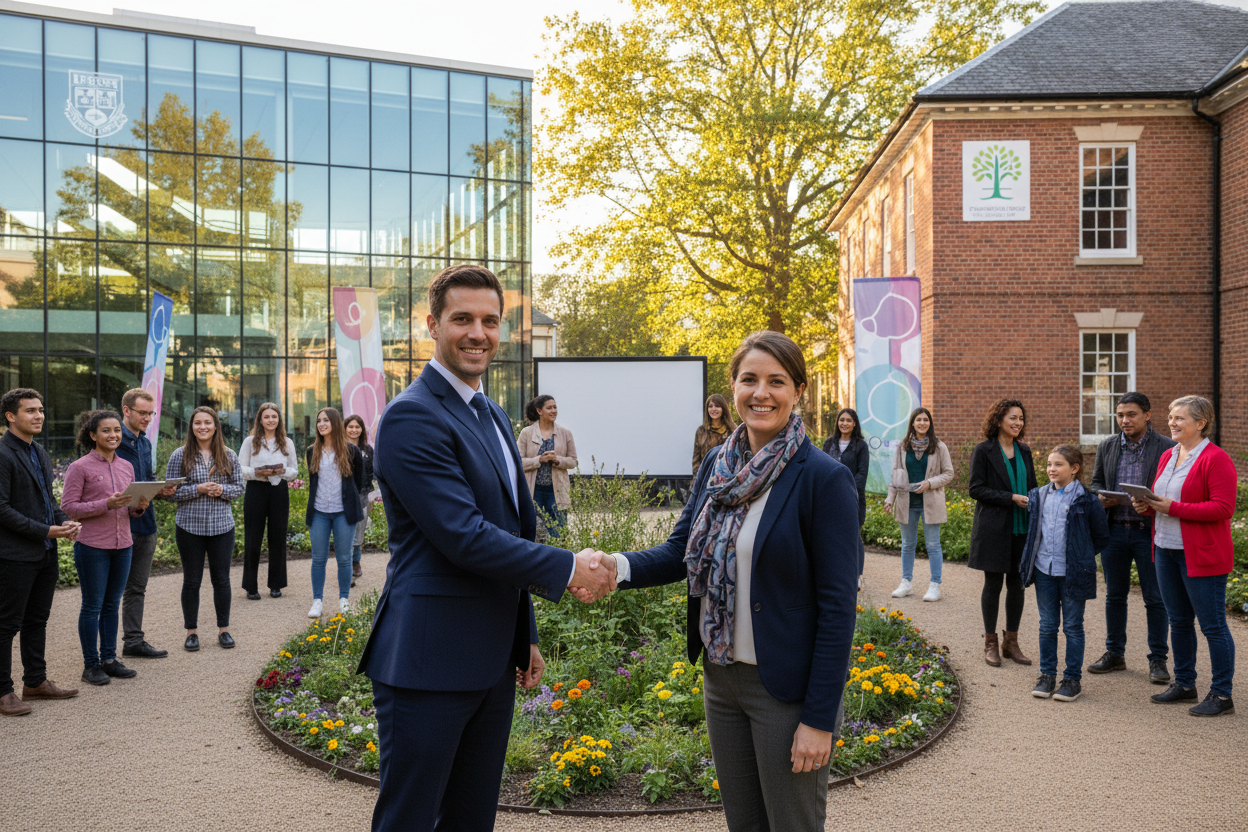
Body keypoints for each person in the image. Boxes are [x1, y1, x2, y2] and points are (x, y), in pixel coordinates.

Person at [356, 264, 613, 832]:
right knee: (409, 820)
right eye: (462, 319)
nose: (478, 333)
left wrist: (527, 637)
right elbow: (463, 535)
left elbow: (515, 532)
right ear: (432, 324)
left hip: (493, 657)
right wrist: (571, 565)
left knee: (471, 819)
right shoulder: (411, 416)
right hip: (427, 661)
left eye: (490, 321)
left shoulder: (492, 411)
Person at [606, 331, 860, 832]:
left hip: (783, 690)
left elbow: (838, 608)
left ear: (799, 391)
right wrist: (613, 567)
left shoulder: (823, 478)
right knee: (744, 824)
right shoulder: (717, 467)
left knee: (792, 825)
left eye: (776, 381)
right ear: (733, 386)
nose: (761, 393)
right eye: (749, 379)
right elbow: (680, 551)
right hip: (722, 681)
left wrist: (818, 719)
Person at [1133, 396, 1237, 717]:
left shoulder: (1216, 459)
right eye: (1171, 417)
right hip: (1165, 549)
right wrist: (1147, 506)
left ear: (1201, 423)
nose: (1171, 423)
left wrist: (1172, 508)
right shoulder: (1169, 455)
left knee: (1213, 626)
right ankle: (1185, 683)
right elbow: (1163, 499)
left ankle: (1221, 695)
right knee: (1178, 621)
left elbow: (1223, 507)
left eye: (1179, 418)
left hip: (1201, 556)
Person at [0, 389, 80, 716]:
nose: (39, 416)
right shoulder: (3, 454)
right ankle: (3, 692)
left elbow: (48, 503)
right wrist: (47, 530)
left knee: (37, 620)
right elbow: (2, 509)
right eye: (30, 410)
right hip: (14, 555)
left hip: (44, 553)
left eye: (41, 410)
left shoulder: (40, 452)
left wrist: (65, 521)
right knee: (6, 625)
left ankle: (35, 682)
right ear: (10, 416)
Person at [1088, 392, 1175, 683]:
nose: (1125, 420)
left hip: (1149, 534)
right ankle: (1115, 654)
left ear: (1147, 415)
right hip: (1114, 532)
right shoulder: (1107, 446)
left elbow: (1173, 490)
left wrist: (1151, 501)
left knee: (1155, 599)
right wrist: (1101, 497)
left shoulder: (1167, 447)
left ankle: (1158, 661)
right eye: (1120, 415)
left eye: (1131, 414)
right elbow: (1096, 483)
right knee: (1114, 596)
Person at [60, 410, 149, 686]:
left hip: (124, 544)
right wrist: (105, 504)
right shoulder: (80, 467)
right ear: (92, 435)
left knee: (111, 604)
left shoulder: (126, 467)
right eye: (106, 431)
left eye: (117, 431)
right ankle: (91, 665)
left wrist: (138, 508)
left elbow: (128, 508)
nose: (113, 435)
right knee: (92, 606)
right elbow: (69, 508)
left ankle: (109, 659)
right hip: (93, 547)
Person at [1021, 445, 1109, 702]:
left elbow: (1101, 537)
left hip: (1073, 572)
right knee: (1047, 625)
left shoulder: (1087, 499)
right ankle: (1047, 675)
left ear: (1074, 469)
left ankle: (1072, 679)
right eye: (1049, 464)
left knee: (1072, 626)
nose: (1051, 469)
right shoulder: (1038, 496)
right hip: (1044, 571)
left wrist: (1080, 556)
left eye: (1058, 464)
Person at [167, 406, 244, 652]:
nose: (203, 427)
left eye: (207, 423)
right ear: (191, 427)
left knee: (221, 580)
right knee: (191, 581)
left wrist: (222, 490)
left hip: (222, 527)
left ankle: (224, 630)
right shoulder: (179, 456)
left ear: (215, 426)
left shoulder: (228, 455)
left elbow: (239, 487)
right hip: (189, 527)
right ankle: (192, 632)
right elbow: (170, 494)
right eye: (198, 423)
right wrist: (198, 489)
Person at [968, 399, 1037, 667]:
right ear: (999, 421)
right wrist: (1010, 497)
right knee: (993, 585)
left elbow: (1032, 487)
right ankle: (990, 643)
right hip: (994, 528)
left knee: (1017, 585)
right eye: (1012, 418)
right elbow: (976, 489)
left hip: (1022, 527)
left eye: (1021, 418)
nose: (1018, 423)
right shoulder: (983, 451)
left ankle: (1012, 643)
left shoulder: (1025, 451)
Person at [116, 389, 177, 660]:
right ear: (126, 410)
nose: (148, 418)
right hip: (119, 525)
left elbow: (146, 478)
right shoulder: (112, 440)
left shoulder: (145, 442)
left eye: (151, 413)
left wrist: (160, 490)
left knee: (137, 587)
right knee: (109, 593)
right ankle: (102, 653)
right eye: (143, 413)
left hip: (146, 524)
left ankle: (133, 641)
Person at [884, 407, 954, 602]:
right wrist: (890, 499)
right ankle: (906, 583)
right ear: (912, 423)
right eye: (918, 420)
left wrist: (930, 483)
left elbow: (949, 473)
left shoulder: (939, 446)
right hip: (907, 503)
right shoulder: (902, 447)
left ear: (929, 423)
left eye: (925, 420)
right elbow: (895, 474)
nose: (922, 423)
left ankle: (934, 585)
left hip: (930, 503)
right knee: (907, 545)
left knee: (933, 545)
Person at [305, 407, 365, 618]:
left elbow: (357, 483)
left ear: (335, 423)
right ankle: (317, 601)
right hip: (319, 512)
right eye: (319, 420)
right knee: (318, 559)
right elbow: (313, 482)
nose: (321, 424)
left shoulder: (351, 451)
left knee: (344, 558)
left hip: (343, 513)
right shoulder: (312, 451)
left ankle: (344, 600)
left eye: (326, 420)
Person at [239, 403, 297, 601]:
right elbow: (241, 469)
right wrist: (257, 472)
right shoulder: (249, 442)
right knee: (253, 539)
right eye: (267, 417)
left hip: (278, 490)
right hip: (256, 490)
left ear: (279, 419)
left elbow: (294, 471)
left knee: (278, 538)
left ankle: (276, 585)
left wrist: (280, 471)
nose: (271, 420)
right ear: (260, 420)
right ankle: (250, 586)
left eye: (274, 416)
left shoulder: (287, 442)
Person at [519, 395, 578, 541]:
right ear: (539, 411)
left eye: (555, 407)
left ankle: (560, 561)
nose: (553, 411)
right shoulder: (526, 433)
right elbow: (517, 462)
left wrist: (558, 459)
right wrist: (539, 459)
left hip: (556, 491)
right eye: (549, 408)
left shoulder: (565, 433)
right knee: (533, 532)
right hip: (533, 490)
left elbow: (573, 461)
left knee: (559, 533)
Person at [821, 408, 869, 578]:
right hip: (830, 498)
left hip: (853, 498)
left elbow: (862, 473)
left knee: (854, 536)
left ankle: (856, 576)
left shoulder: (861, 446)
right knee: (831, 536)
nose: (845, 423)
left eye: (848, 420)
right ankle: (836, 573)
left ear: (854, 423)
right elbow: (822, 468)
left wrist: (848, 492)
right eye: (842, 420)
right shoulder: (829, 443)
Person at [344, 414, 376, 583]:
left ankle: (356, 561)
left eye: (357, 427)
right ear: (345, 429)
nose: (354, 430)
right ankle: (347, 566)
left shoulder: (368, 450)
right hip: (344, 495)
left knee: (359, 531)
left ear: (362, 430)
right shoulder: (339, 448)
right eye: (351, 427)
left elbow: (371, 472)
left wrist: (369, 494)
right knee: (346, 530)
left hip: (362, 495)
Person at [692, 393, 735, 474]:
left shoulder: (732, 431)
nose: (713, 409)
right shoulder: (701, 431)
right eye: (710, 406)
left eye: (717, 406)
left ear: (723, 408)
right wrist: (698, 479)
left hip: (726, 480)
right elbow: (696, 460)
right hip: (704, 478)